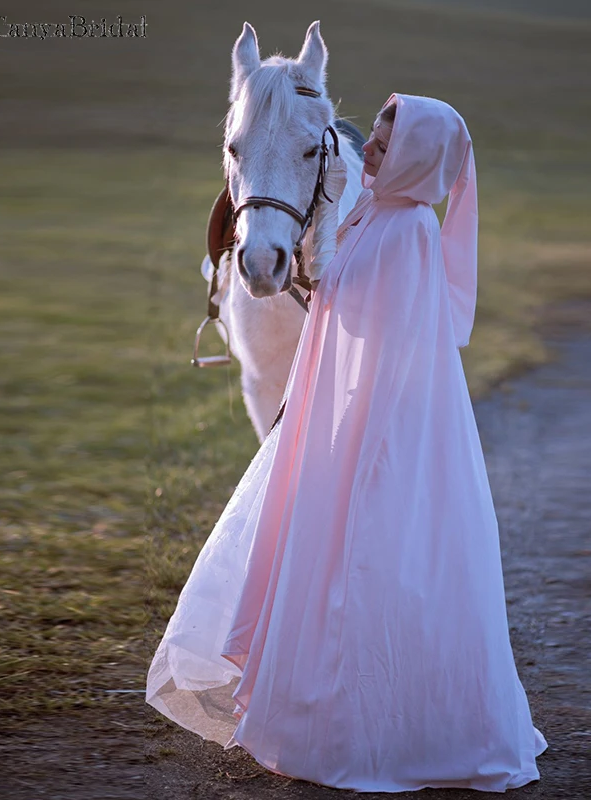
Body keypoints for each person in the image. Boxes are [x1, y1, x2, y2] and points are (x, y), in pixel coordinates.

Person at [146, 93, 548, 792]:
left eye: (385, 146)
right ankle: (312, 702)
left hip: (378, 430)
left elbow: (376, 333)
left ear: (415, 160)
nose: (369, 150)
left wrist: (325, 286)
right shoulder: (376, 211)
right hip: (347, 414)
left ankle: (369, 726)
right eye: (375, 138)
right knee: (318, 555)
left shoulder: (407, 234)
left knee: (364, 564)